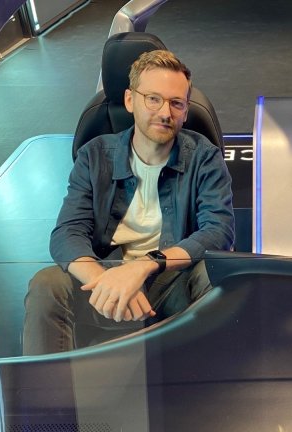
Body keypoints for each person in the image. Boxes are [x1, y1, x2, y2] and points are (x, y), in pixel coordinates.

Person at [22, 50, 235, 354]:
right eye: (153, 99)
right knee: (47, 285)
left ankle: (211, 380)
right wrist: (106, 280)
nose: (165, 112)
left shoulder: (204, 157)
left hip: (170, 281)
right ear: (130, 100)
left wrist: (144, 266)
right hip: (105, 277)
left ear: (186, 111)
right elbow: (67, 234)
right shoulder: (95, 155)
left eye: (176, 103)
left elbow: (218, 231)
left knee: (212, 277)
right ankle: (47, 385)